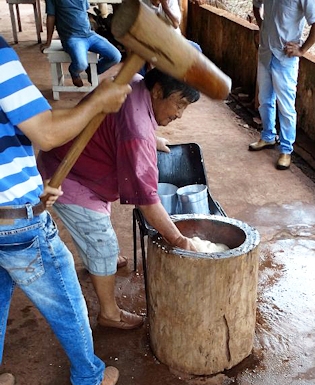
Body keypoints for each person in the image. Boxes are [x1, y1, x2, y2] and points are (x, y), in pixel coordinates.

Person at [0, 35, 131, 385]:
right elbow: (47, 133)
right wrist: (98, 101)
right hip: (15, 222)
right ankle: (89, 378)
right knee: (65, 296)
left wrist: (29, 185)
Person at [39, 69, 199, 330]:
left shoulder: (133, 82)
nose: (179, 114)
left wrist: (151, 138)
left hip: (84, 165)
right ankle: (109, 314)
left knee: (96, 233)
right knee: (100, 239)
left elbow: (119, 123)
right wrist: (179, 239)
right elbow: (147, 202)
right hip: (68, 176)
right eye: (179, 104)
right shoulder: (137, 133)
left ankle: (102, 260)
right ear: (158, 91)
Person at [249, 0, 315, 170]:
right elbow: (256, 5)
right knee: (265, 99)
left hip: (285, 58)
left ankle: (286, 150)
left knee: (285, 106)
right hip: (266, 53)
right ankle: (268, 136)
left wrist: (302, 50)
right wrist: (262, 27)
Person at [40, 0, 122, 87]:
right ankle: (74, 72)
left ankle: (92, 71)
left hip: (89, 34)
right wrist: (48, 41)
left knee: (115, 56)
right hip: (73, 38)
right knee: (81, 64)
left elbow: (84, 11)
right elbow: (51, 17)